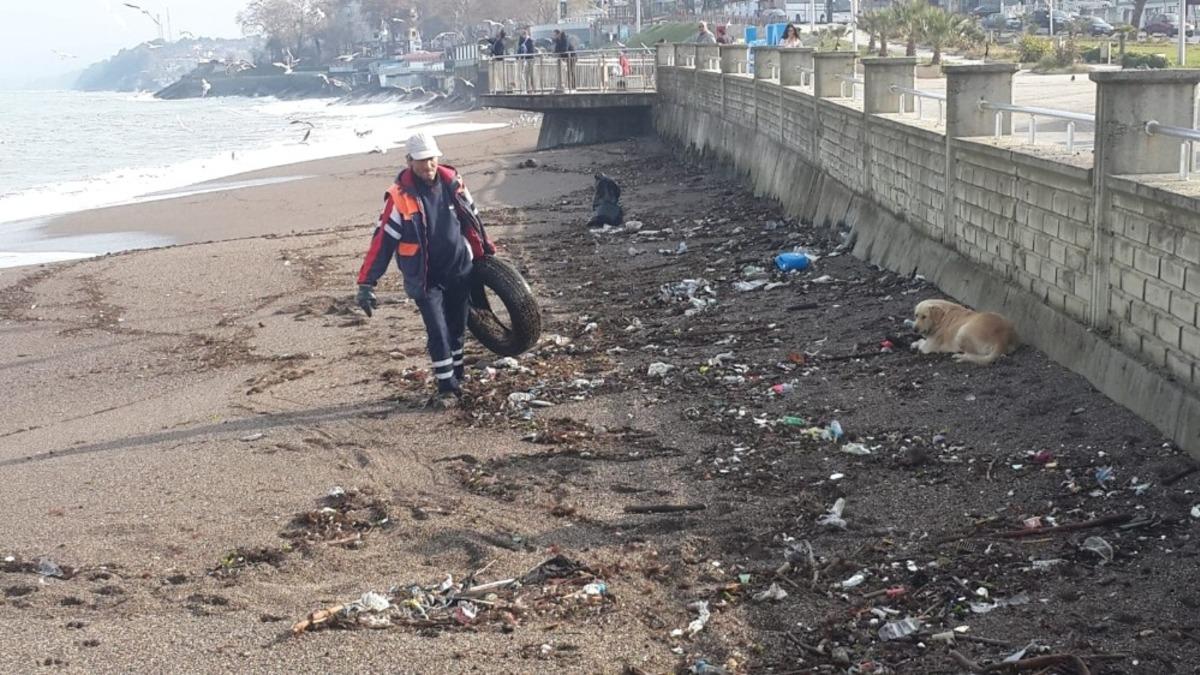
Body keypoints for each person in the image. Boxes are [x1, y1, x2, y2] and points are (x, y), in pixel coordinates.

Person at [356, 132, 495, 409]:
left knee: (456, 328)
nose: (427, 166)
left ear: (437, 157)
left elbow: (473, 220)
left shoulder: (454, 184)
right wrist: (366, 284)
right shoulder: (399, 197)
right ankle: (446, 388)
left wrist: (485, 252)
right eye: (420, 161)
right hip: (425, 276)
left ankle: (457, 377)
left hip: (459, 269)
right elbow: (382, 241)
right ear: (409, 161)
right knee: (438, 331)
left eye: (431, 159)